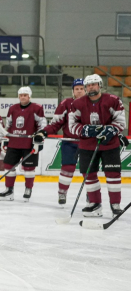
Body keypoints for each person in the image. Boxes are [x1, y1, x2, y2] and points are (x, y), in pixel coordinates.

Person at [67, 74, 126, 217]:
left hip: (109, 145)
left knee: (113, 175)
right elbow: (72, 125)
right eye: (88, 85)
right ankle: (94, 204)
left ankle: (115, 205)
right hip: (87, 145)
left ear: (99, 85)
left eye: (94, 84)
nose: (91, 87)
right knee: (89, 174)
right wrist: (85, 130)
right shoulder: (78, 103)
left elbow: (120, 121)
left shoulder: (113, 100)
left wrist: (110, 130)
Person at [35, 79, 85, 205]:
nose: (79, 91)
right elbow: (55, 123)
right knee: (67, 168)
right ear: (73, 91)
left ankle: (91, 195)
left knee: (88, 170)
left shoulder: (93, 104)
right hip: (70, 142)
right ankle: (62, 192)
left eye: (81, 88)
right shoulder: (66, 103)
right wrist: (44, 132)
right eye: (76, 89)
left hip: (87, 143)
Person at [0, 87, 46, 201]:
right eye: (21, 95)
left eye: (25, 95)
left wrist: (40, 137)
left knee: (29, 168)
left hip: (29, 143)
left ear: (29, 96)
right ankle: (9, 191)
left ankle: (28, 189)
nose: (23, 97)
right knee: (9, 166)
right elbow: (8, 125)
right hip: (14, 142)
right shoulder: (13, 108)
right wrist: (6, 138)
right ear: (18, 96)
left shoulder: (37, 108)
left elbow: (42, 124)